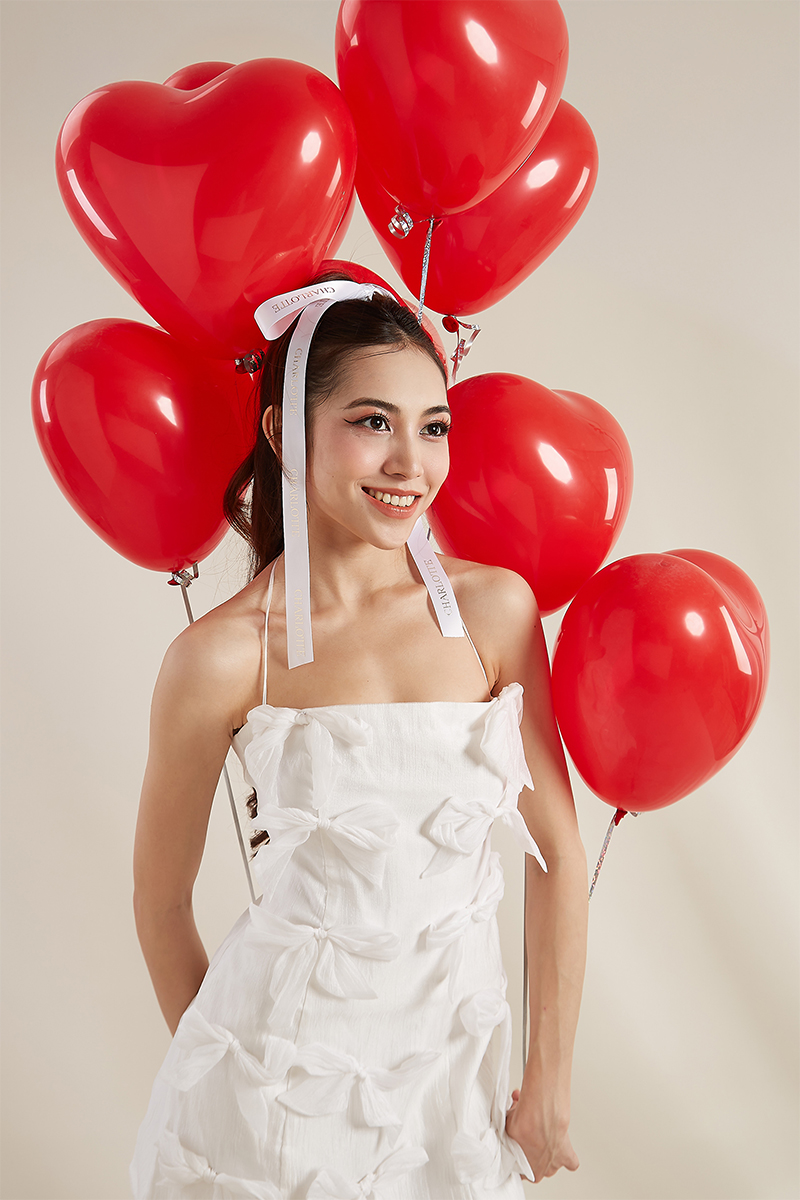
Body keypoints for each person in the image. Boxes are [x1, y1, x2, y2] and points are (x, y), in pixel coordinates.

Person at [130, 276, 588, 1199]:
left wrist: (548, 1078)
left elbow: (558, 859)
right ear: (282, 434)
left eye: (433, 426)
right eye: (373, 421)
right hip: (267, 1108)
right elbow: (160, 904)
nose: (410, 464)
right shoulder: (217, 657)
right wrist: (234, 1081)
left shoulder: (494, 614)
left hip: (449, 1102)